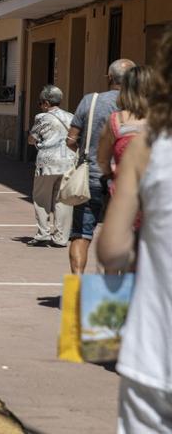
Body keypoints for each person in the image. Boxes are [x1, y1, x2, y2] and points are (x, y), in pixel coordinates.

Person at [96, 31, 168, 433]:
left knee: (118, 273)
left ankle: (109, 340)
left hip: (134, 211)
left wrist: (114, 178)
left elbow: (110, 250)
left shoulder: (124, 127)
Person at [66, 58, 136, 274]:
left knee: (81, 233)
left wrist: (84, 150)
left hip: (90, 176)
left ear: (109, 77)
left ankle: (78, 284)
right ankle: (112, 288)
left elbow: (71, 139)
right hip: (125, 180)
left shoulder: (90, 101)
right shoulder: (140, 106)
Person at [27, 85, 76, 247]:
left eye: (41, 103)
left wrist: (36, 140)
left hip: (47, 163)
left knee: (42, 199)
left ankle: (43, 234)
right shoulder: (71, 116)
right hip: (68, 161)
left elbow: (31, 139)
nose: (41, 106)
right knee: (63, 200)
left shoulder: (42, 117)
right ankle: (61, 237)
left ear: (46, 103)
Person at [98, 66, 151, 197]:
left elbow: (102, 160)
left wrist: (111, 174)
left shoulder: (116, 120)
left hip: (125, 193)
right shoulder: (164, 120)